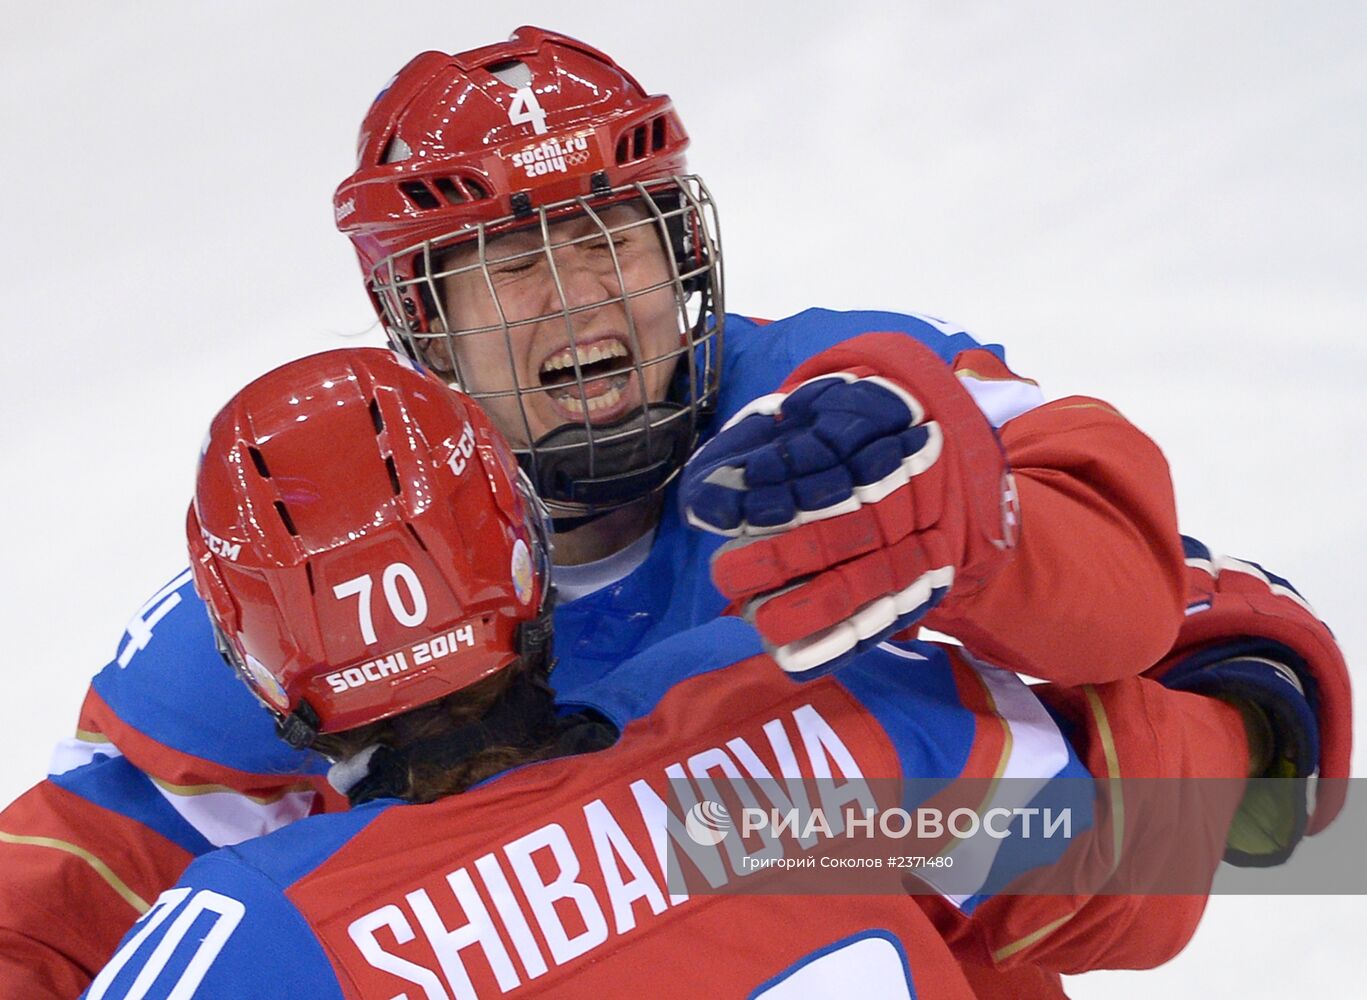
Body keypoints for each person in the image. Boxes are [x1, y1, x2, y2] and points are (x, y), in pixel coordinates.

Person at [0, 24, 1349, 999]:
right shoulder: (848, 747)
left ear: (682, 249)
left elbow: (1268, 753)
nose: (579, 296)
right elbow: (1250, 813)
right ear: (419, 322)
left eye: (610, 237)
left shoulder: (857, 414)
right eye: (510, 266)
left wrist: (992, 540)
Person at [81, 349, 1272, 999]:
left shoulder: (255, 938)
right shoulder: (814, 707)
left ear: (255, 659)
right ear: (527, 557)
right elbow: (1156, 853)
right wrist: (1260, 699)